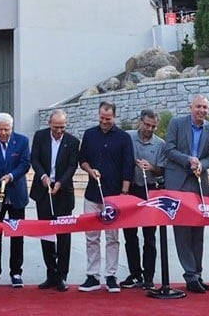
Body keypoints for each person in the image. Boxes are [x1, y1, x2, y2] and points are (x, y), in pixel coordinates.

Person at [77, 100, 133, 293]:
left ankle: (111, 276)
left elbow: (128, 166)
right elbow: (82, 160)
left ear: (114, 117)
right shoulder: (89, 134)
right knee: (91, 237)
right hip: (92, 194)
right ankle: (92, 276)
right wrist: (90, 170)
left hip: (114, 196)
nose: (104, 121)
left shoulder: (124, 138)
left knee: (112, 237)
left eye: (108, 119)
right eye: (101, 118)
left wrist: (124, 194)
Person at [163, 94, 209, 294]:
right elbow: (169, 149)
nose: (202, 110)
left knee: (198, 231)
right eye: (198, 106)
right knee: (183, 231)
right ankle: (190, 275)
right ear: (190, 107)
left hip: (198, 183)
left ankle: (197, 273)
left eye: (205, 107)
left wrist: (201, 164)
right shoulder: (176, 123)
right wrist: (188, 160)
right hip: (178, 183)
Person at [30, 108, 79, 291]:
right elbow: (34, 158)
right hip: (43, 191)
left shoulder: (73, 142)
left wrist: (60, 182)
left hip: (63, 192)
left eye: (63, 127)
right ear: (50, 124)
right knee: (46, 233)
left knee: (63, 236)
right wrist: (43, 176)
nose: (59, 131)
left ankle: (62, 275)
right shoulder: (40, 136)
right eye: (56, 127)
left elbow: (72, 165)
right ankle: (51, 273)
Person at [0, 112, 31, 288]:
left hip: (17, 194)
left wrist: (10, 176)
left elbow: (25, 164)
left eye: (6, 129)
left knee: (17, 234)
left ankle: (16, 272)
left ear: (12, 128)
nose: (3, 133)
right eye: (0, 129)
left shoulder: (23, 141)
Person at [122, 108, 165, 290]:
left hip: (151, 190)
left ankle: (148, 276)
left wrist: (152, 167)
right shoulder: (128, 137)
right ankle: (134, 273)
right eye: (147, 125)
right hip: (131, 189)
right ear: (140, 121)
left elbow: (163, 170)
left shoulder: (160, 144)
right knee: (130, 235)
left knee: (150, 236)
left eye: (153, 126)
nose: (149, 129)